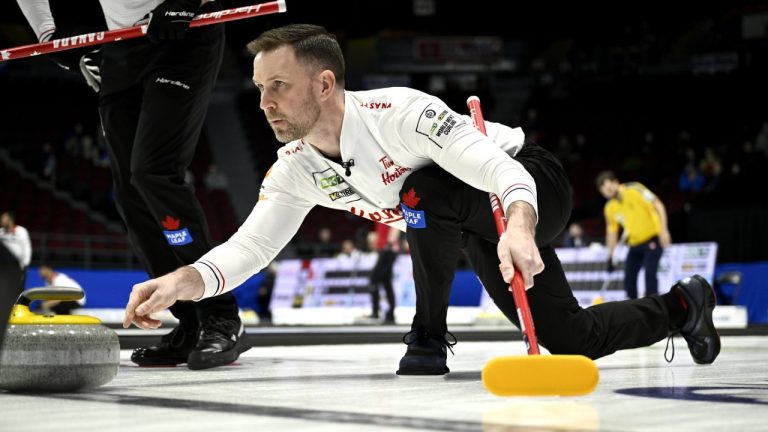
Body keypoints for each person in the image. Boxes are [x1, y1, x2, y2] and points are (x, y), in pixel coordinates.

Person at [123, 24, 720, 375]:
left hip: (528, 186)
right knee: (569, 341)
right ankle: (681, 306)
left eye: (277, 86)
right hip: (468, 220)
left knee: (421, 190)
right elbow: (250, 247)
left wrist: (518, 223)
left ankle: (428, 336)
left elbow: (495, 168)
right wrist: (183, 282)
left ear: (324, 83)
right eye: (258, 90)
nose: (264, 104)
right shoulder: (295, 168)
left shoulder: (402, 113)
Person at [17, 0, 246, 370]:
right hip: (123, 45)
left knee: (153, 172)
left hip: (182, 32)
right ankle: (190, 323)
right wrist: (53, 40)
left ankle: (220, 315)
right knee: (129, 192)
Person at [596, 171, 671, 299]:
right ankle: (634, 308)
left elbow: (658, 204)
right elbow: (611, 232)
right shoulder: (610, 207)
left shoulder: (634, 189)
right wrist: (610, 256)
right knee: (629, 279)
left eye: (609, 188)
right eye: (605, 192)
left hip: (653, 239)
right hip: (634, 243)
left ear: (616, 182)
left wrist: (664, 230)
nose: (608, 193)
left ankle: (654, 307)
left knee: (650, 274)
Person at [368, 225, 399, 323]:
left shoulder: (389, 209)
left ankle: (376, 311)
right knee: (386, 281)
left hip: (388, 249)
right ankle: (390, 314)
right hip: (385, 248)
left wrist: (389, 243)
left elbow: (396, 224)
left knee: (374, 279)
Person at [0, 211, 32, 290]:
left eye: (3, 218)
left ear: (10, 220)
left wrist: (25, 265)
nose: (1, 220)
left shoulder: (21, 231)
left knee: (17, 289)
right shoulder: (0, 232)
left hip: (18, 267)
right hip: (4, 267)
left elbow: (27, 248)